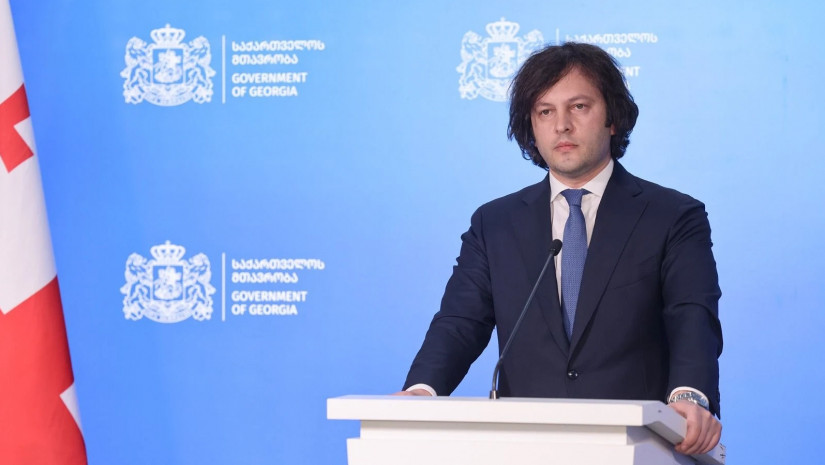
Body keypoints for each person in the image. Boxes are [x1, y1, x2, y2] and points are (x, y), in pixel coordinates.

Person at [396, 42, 723, 455]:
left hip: (641, 446)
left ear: (612, 118)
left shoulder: (672, 216)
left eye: (579, 107)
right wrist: (422, 390)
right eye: (545, 112)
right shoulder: (494, 223)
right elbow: (460, 322)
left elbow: (691, 315)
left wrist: (690, 396)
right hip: (525, 448)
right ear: (531, 127)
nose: (562, 126)